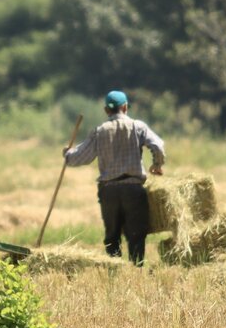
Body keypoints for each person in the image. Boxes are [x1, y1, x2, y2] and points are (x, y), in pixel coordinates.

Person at [63, 90, 165, 267]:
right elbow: (158, 145)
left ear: (106, 110)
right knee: (136, 236)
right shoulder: (137, 126)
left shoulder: (99, 131)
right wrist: (157, 164)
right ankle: (136, 271)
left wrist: (67, 154)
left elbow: (80, 158)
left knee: (112, 236)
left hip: (109, 191)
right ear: (125, 107)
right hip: (134, 190)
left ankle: (114, 272)